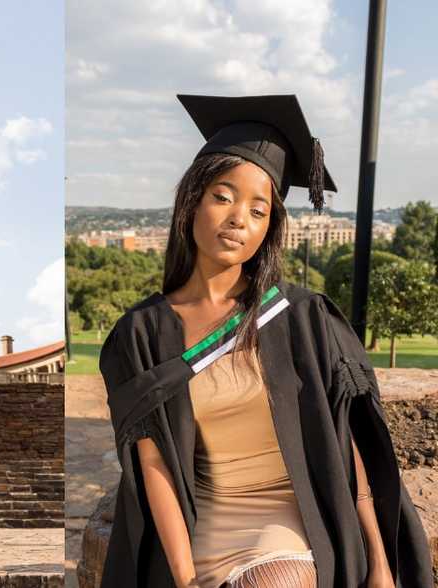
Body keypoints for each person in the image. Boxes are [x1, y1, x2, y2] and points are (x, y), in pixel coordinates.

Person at [99, 94, 433, 588]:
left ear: (268, 230)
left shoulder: (301, 318)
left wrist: (380, 563)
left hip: (287, 521)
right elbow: (156, 468)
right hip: (199, 525)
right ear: (192, 199)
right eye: (222, 196)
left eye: (258, 210)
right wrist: (187, 579)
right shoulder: (141, 333)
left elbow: (348, 444)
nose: (238, 218)